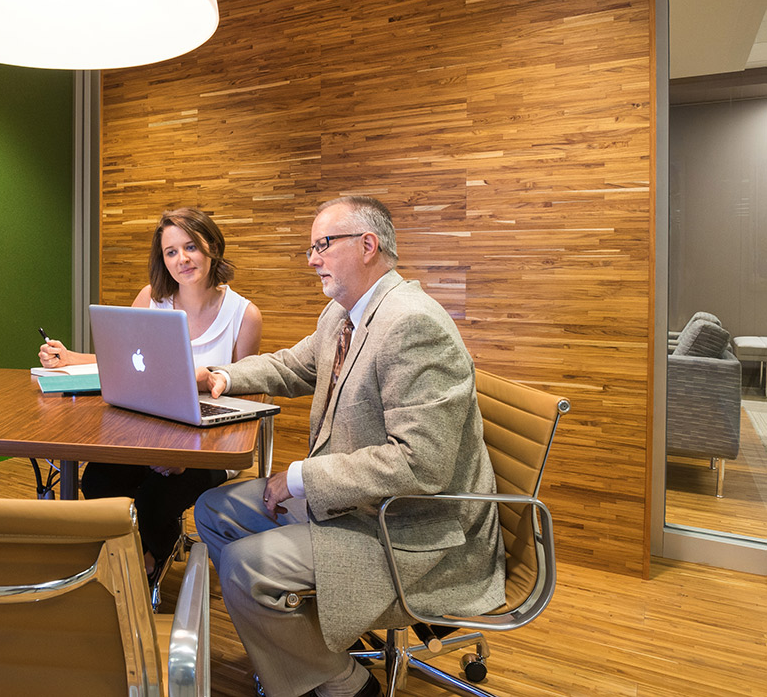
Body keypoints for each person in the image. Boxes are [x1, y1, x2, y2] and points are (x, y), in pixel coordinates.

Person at [192, 196, 503, 697]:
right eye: (311, 247)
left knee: (247, 565)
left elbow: (420, 464)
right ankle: (313, 647)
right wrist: (220, 376)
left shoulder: (411, 324)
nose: (312, 258)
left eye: (322, 245)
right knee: (212, 509)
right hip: (363, 505)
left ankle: (345, 683)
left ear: (367, 245)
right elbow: (291, 367)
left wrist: (297, 478)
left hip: (415, 526)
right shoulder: (344, 315)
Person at [39, 207, 263, 581]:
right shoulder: (151, 298)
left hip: (204, 446)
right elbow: (125, 363)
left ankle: (146, 564)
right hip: (144, 434)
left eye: (191, 246)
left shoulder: (244, 315)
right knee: (98, 480)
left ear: (213, 246)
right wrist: (69, 357)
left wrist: (183, 455)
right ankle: (125, 556)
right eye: (170, 252)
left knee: (157, 496)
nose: (182, 259)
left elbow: (245, 397)